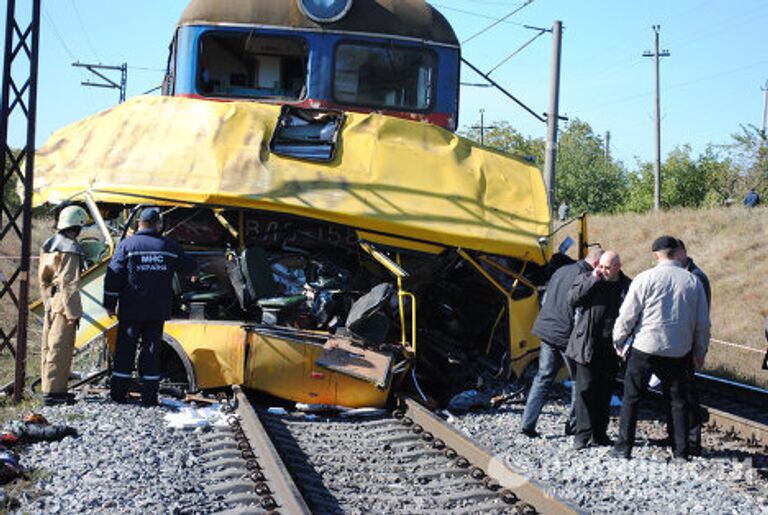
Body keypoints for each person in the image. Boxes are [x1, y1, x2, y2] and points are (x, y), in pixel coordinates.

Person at [611, 236, 711, 461]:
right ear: (676, 253)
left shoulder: (644, 278)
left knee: (632, 398)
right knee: (678, 401)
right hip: (679, 351)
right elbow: (702, 323)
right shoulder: (693, 282)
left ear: (656, 255)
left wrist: (618, 340)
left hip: (645, 348)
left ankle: (623, 447)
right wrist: (699, 351)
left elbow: (627, 315)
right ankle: (681, 451)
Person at [103, 208, 195, 406]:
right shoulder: (169, 246)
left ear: (139, 223)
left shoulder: (127, 246)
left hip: (131, 308)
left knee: (125, 349)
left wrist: (109, 303)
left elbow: (114, 275)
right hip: (157, 309)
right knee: (152, 350)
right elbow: (188, 267)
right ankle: (149, 397)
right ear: (158, 225)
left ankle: (118, 394)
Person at [520, 247, 604, 438]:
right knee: (578, 381)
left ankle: (527, 423)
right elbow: (579, 312)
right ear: (597, 264)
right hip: (566, 336)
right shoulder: (585, 277)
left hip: (546, 330)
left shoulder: (562, 270)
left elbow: (546, 298)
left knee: (543, 377)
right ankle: (573, 426)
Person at [567, 251, 631, 449]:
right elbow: (572, 299)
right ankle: (582, 434)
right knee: (585, 389)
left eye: (607, 268)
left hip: (611, 345)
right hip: (588, 343)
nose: (603, 271)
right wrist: (593, 279)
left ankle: (600, 433)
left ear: (617, 267)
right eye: (600, 266)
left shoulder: (627, 285)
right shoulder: (587, 278)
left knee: (605, 390)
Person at [38, 206, 88, 406]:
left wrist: (47, 302)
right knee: (61, 348)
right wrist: (73, 313)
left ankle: (47, 388)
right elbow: (69, 283)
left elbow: (44, 279)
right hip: (64, 303)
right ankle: (55, 393)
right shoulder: (70, 248)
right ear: (78, 225)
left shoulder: (49, 245)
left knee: (48, 348)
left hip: (51, 300)